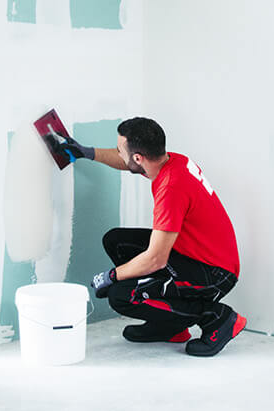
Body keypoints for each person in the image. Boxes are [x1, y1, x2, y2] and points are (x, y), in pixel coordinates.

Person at [56, 117, 244, 356]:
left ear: (138, 157)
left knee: (121, 296)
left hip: (214, 274)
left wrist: (111, 276)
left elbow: (156, 259)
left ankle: (217, 317)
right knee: (117, 242)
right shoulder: (171, 161)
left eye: (120, 150)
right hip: (198, 255)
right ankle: (171, 327)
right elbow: (128, 161)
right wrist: (86, 152)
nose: (119, 154)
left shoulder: (171, 188)